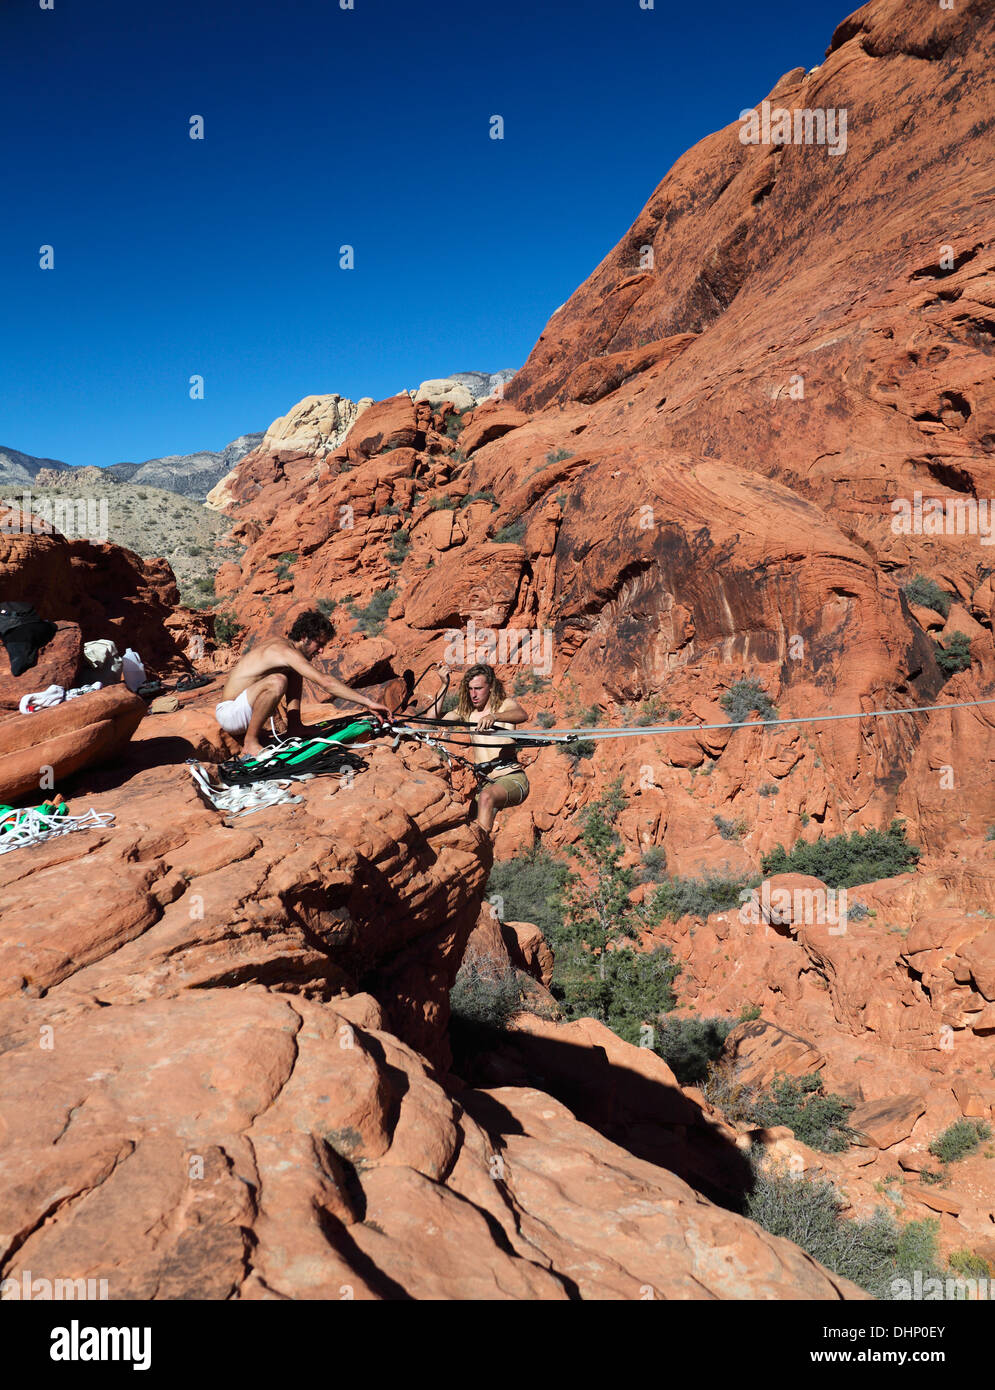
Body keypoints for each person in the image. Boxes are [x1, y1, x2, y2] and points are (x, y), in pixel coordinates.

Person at [215, 610, 390, 758]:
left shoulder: (287, 649)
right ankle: (250, 743)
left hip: (243, 708)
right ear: (305, 637)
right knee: (278, 680)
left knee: (293, 672)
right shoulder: (285, 651)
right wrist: (368, 702)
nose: (321, 650)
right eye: (319, 644)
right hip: (230, 714)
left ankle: (295, 727)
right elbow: (326, 682)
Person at [425, 661, 529, 833]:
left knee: (486, 799)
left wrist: (495, 717)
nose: (473, 694)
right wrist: (444, 684)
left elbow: (521, 715)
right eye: (470, 689)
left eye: (478, 688)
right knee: (470, 829)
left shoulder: (504, 705)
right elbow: (431, 721)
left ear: (490, 687)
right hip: (486, 785)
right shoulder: (467, 712)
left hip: (513, 779)